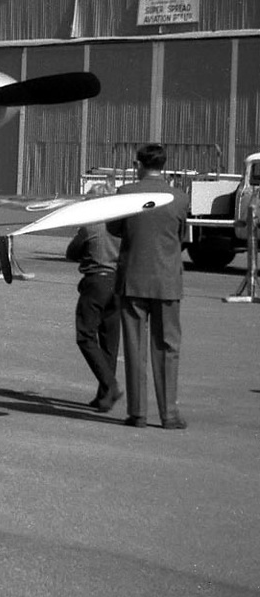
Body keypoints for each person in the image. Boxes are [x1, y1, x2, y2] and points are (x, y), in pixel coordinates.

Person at [106, 144, 191, 430]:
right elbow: (181, 236)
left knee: (134, 346)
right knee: (167, 346)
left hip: (133, 278)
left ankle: (138, 412)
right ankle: (169, 414)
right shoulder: (179, 198)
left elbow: (114, 230)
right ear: (164, 165)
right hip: (167, 281)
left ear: (138, 164)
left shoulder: (125, 194)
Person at [65, 191, 121, 412]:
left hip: (96, 282)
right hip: (118, 283)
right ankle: (104, 394)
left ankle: (110, 385)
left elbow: (72, 252)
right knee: (110, 342)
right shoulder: (119, 227)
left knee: (86, 335)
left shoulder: (91, 226)